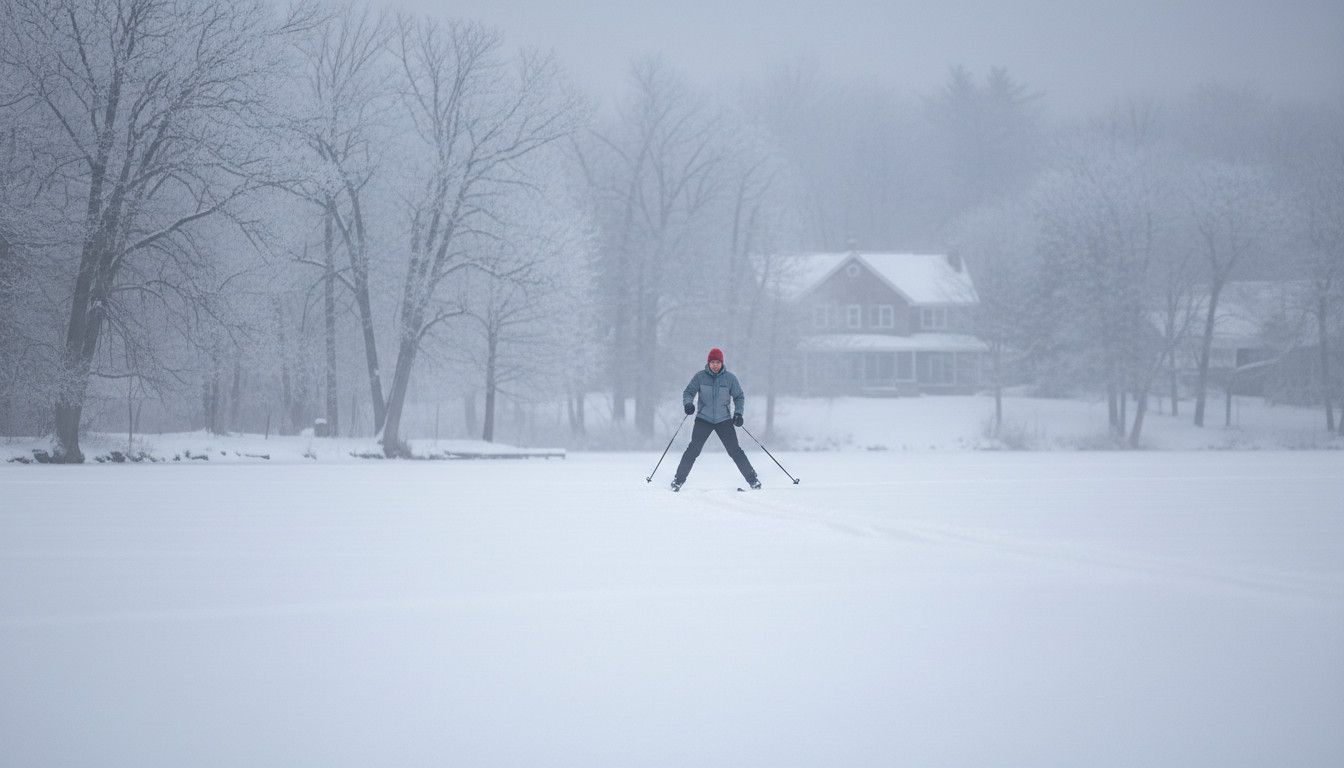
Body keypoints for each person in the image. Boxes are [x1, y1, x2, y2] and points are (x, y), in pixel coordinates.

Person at [671, 347, 760, 491]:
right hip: (703, 419)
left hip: (723, 420)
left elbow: (739, 397)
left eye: (718, 362)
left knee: (735, 451)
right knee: (693, 450)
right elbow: (688, 392)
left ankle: (753, 480)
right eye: (712, 362)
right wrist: (688, 404)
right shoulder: (700, 377)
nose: (715, 365)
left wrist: (738, 414)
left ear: (722, 363)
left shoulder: (730, 378)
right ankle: (678, 480)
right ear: (708, 363)